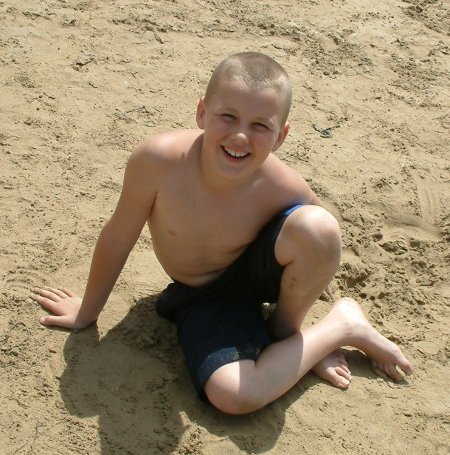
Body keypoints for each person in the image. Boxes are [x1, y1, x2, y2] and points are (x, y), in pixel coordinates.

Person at [32, 52, 412, 415]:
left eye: (260, 126)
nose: (241, 137)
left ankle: (287, 335)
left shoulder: (280, 183)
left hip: (260, 273)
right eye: (228, 117)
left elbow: (322, 243)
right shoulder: (157, 161)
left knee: (319, 226)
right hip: (204, 295)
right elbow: (118, 237)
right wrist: (87, 311)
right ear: (202, 112)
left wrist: (309, 285)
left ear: (281, 136)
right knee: (234, 396)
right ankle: (339, 327)